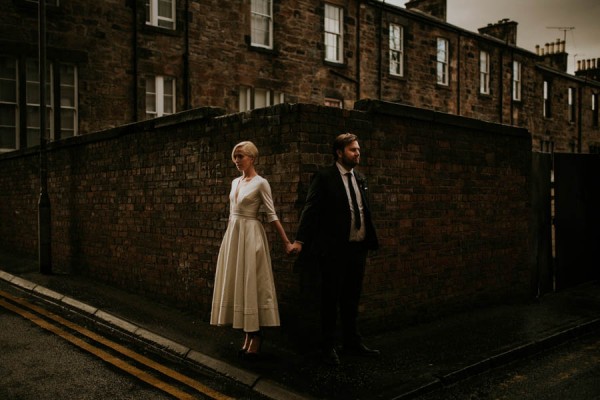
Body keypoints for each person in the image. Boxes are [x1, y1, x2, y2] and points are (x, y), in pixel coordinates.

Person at [291, 133, 379, 366]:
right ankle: (327, 346)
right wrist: (300, 240)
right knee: (330, 299)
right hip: (334, 250)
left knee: (352, 297)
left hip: (357, 248)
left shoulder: (360, 178)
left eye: (358, 149)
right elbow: (310, 211)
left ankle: (352, 341)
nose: (357, 153)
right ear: (339, 153)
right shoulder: (324, 177)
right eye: (352, 150)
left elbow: (361, 209)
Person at [211, 141, 294, 358]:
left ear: (252, 158)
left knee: (251, 284)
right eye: (235, 157)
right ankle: (247, 334)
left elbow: (271, 214)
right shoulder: (234, 182)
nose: (237, 160)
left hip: (251, 236)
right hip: (235, 235)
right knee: (238, 283)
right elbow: (232, 212)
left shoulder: (261, 183)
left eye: (241, 156)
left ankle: (256, 335)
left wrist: (286, 242)